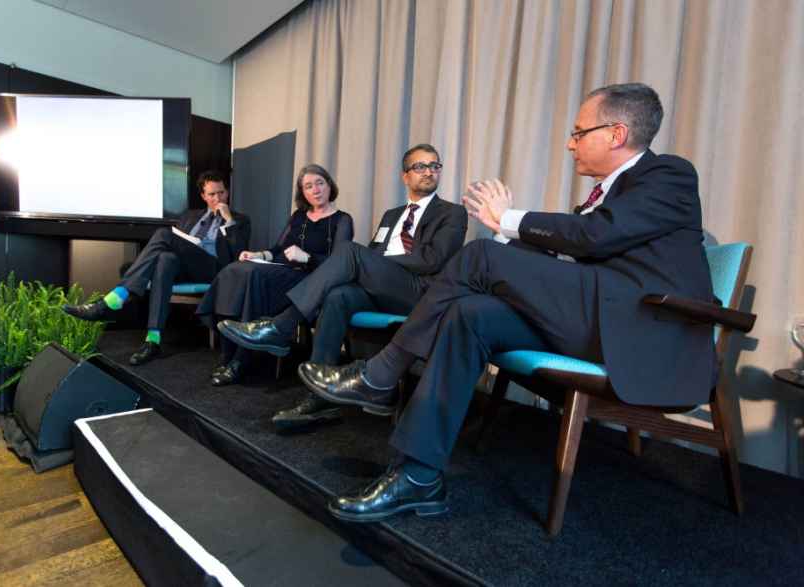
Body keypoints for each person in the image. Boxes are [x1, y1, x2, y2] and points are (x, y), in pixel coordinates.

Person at [296, 83, 716, 522]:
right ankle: (418, 477)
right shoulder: (598, 197)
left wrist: (509, 222)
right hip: (592, 316)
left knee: (478, 256)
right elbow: (567, 257)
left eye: (578, 132)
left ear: (615, 133)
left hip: (639, 333)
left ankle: (380, 373)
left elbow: (597, 238)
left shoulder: (669, 175)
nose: (570, 144)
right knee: (468, 313)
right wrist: (504, 236)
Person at [217, 144, 467, 430]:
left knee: (349, 251)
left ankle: (280, 327)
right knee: (338, 296)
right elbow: (373, 253)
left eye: (434, 165)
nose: (428, 171)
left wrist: (375, 261)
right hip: (384, 287)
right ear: (405, 176)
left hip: (419, 292)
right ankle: (318, 398)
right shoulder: (391, 215)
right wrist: (373, 261)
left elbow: (431, 260)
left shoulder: (453, 213)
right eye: (419, 166)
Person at [63, 171, 250, 366]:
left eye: (221, 193)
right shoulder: (189, 217)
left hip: (212, 268)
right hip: (183, 267)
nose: (217, 198)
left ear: (227, 192)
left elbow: (237, 255)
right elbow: (177, 244)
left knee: (163, 234)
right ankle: (153, 340)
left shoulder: (241, 220)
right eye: (212, 194)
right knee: (165, 259)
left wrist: (228, 222)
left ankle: (114, 299)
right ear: (203, 196)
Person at [200, 164, 354, 385]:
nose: (316, 190)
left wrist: (307, 257)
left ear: (329, 185)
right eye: (308, 186)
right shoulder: (299, 216)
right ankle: (228, 355)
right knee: (236, 270)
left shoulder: (343, 220)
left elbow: (342, 263)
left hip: (310, 280)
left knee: (252, 276)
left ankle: (239, 361)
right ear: (303, 193)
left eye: (320, 183)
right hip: (282, 272)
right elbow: (277, 249)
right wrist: (257, 254)